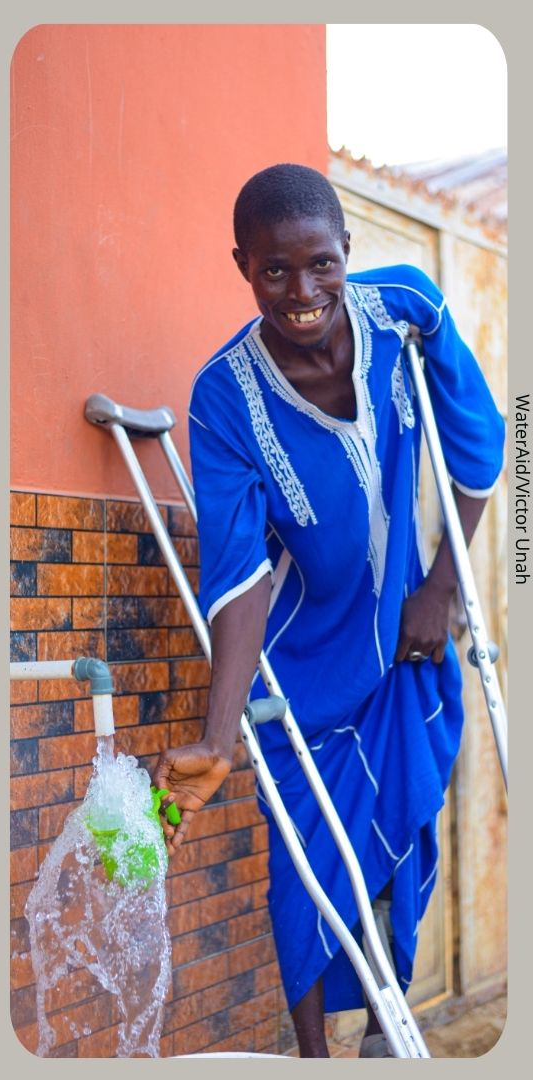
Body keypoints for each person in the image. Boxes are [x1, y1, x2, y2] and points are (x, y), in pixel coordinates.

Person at [151, 163, 505, 1058]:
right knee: (301, 872)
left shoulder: (408, 308)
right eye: (275, 271)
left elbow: (485, 446)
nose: (301, 292)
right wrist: (220, 733)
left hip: (404, 646)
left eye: (319, 265)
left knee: (405, 829)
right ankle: (315, 1058)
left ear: (348, 252)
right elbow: (233, 578)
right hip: (301, 668)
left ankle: (387, 1026)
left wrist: (442, 590)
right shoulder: (224, 396)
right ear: (243, 265)